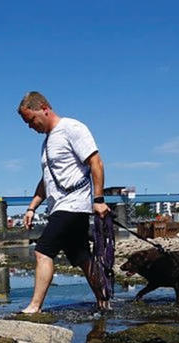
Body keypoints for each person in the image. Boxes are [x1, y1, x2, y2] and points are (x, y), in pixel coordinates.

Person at [16, 91, 111, 313]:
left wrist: (98, 199)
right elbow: (46, 181)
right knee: (82, 258)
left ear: (44, 108)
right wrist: (32, 208)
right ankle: (104, 301)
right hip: (59, 206)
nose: (30, 127)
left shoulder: (72, 128)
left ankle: (34, 307)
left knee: (42, 251)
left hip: (73, 205)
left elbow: (96, 162)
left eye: (31, 120)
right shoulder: (47, 143)